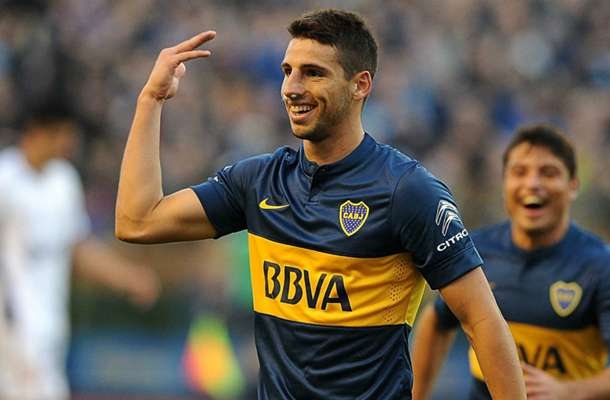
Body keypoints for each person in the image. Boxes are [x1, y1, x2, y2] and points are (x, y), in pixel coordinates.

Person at [115, 9, 525, 399]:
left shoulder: (407, 191)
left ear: (360, 85)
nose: (292, 88)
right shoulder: (259, 182)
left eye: (314, 73)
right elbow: (138, 221)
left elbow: (482, 321)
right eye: (287, 71)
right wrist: (151, 99)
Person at [411, 124, 610, 400]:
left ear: (573, 185)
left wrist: (569, 391)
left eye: (548, 173)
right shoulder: (474, 251)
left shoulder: (600, 265)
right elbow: (436, 322)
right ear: (504, 183)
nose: (532, 184)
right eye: (519, 172)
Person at [0, 107, 161, 400]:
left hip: (50, 325)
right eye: (64, 134)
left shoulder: (64, 182)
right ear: (39, 131)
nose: (70, 144)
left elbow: (77, 248)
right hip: (12, 328)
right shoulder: (5, 178)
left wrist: (127, 277)